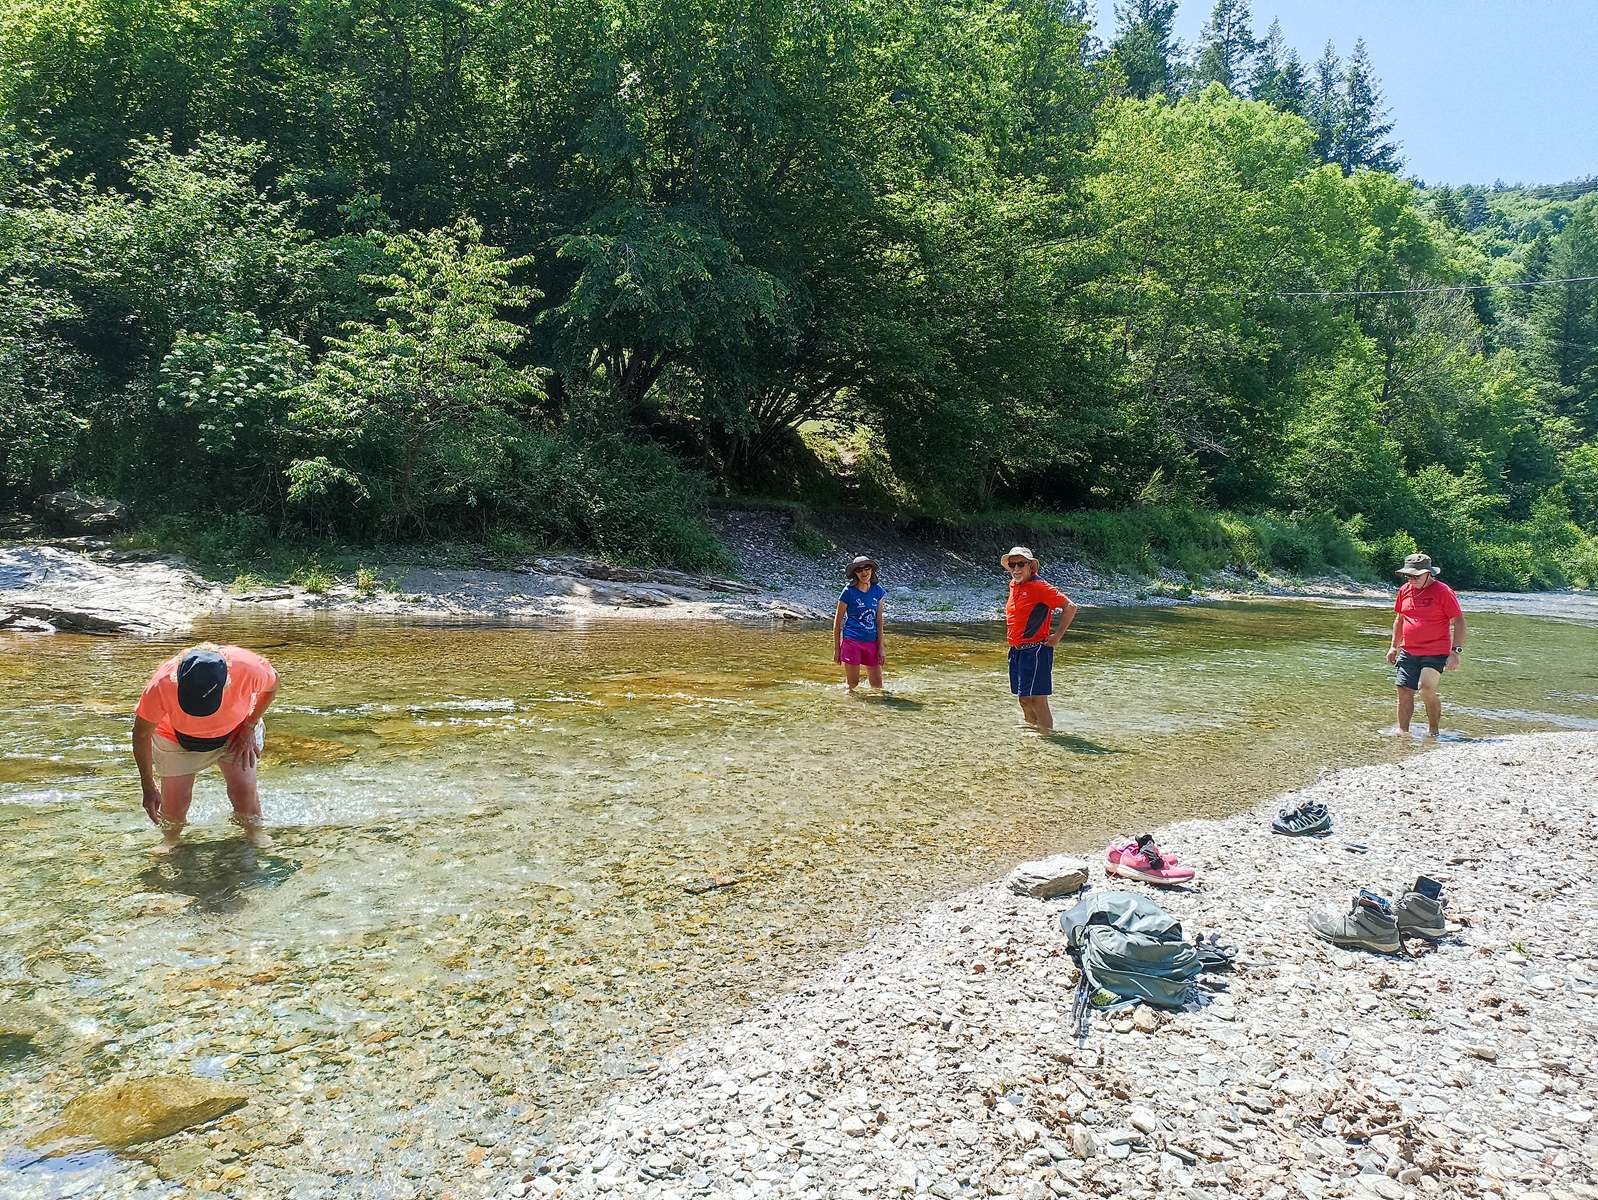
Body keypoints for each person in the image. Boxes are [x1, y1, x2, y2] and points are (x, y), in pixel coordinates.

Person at [133, 643, 279, 853]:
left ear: (228, 680)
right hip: (175, 738)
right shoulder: (162, 683)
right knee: (175, 804)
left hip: (237, 732)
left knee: (244, 791)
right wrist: (148, 785)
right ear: (177, 680)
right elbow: (141, 733)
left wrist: (249, 725)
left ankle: (254, 832)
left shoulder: (248, 668)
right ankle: (171, 840)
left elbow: (273, 685)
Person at [1385, 552, 1466, 738]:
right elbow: (1399, 619)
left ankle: (1433, 731)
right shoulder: (1404, 590)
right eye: (1408, 575)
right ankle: (1403, 733)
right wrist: (1393, 647)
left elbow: (1459, 622)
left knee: (1425, 687)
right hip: (1409, 650)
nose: (1411, 579)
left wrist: (1456, 652)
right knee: (1404, 690)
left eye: (1416, 576)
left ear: (1429, 574)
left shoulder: (1443, 592)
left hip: (1436, 650)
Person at [1002, 546, 1077, 735]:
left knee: (1037, 699)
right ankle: (1032, 734)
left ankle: (1046, 739)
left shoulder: (1040, 587)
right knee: (1023, 699)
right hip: (1017, 650)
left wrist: (1057, 637)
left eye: (1021, 564)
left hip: (1036, 651)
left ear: (1031, 567)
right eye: (1013, 564)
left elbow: (1070, 607)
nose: (1016, 569)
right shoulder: (1014, 585)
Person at [833, 555, 886, 693]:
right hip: (852, 642)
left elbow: (879, 621)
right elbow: (837, 622)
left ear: (872, 570)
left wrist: (881, 647)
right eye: (859, 570)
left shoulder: (878, 591)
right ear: (854, 573)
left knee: (877, 686)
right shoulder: (848, 592)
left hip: (872, 642)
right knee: (853, 686)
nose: (864, 573)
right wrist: (837, 649)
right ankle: (849, 710)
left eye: (867, 568)